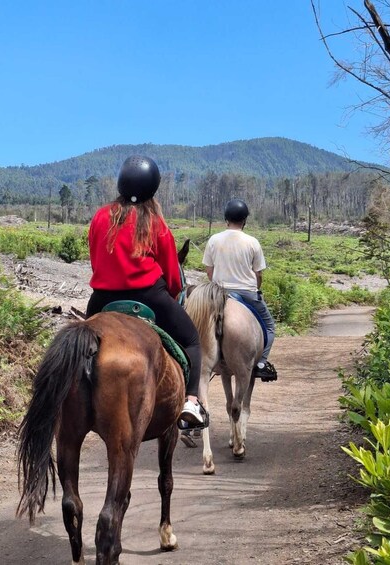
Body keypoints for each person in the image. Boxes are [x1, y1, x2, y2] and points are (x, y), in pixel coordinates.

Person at [86, 155, 204, 426]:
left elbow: (95, 259)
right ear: (153, 188)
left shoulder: (101, 217)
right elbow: (173, 277)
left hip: (102, 299)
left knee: (80, 345)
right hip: (149, 296)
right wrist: (172, 293)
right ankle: (192, 402)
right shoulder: (156, 223)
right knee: (192, 340)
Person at [202, 198, 277, 381]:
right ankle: (261, 363)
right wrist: (255, 288)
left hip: (218, 295)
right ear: (244, 220)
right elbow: (258, 274)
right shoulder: (252, 242)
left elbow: (209, 272)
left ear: (226, 218)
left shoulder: (214, 240)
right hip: (246, 293)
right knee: (269, 326)